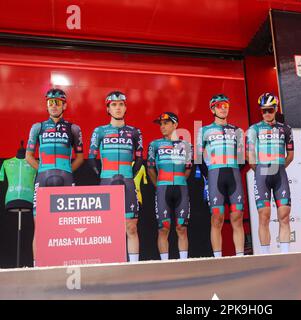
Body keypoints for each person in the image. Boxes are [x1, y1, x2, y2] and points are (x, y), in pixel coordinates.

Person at [26, 88, 84, 265]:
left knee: (66, 225)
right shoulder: (38, 127)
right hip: (43, 180)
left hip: (66, 180)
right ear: (46, 105)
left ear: (64, 105)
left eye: (57, 102)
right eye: (50, 102)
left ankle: (64, 263)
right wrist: (42, 169)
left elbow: (80, 157)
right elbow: (29, 156)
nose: (53, 106)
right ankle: (37, 266)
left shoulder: (73, 128)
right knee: (40, 225)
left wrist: (67, 170)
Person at [88, 91, 143, 262]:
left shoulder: (135, 132)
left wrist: (130, 177)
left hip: (127, 181)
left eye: (121, 104)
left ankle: (134, 268)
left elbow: (140, 158)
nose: (117, 108)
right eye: (114, 105)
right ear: (108, 109)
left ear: (125, 107)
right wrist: (102, 177)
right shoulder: (100, 131)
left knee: (131, 227)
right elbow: (91, 158)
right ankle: (108, 264)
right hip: (106, 181)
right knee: (107, 227)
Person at [196, 94, 245, 257]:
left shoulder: (237, 130)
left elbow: (242, 158)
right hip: (215, 175)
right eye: (219, 106)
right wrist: (208, 175)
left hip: (234, 175)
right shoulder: (203, 130)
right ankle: (218, 258)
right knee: (217, 218)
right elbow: (197, 157)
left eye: (225, 105)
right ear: (212, 109)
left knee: (237, 217)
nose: (223, 108)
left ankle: (240, 256)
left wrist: (236, 171)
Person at [246, 93, 294, 254]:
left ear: (276, 109)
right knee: (264, 215)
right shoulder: (254, 129)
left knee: (284, 215)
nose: (267, 113)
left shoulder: (286, 129)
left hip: (280, 172)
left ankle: (285, 254)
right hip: (262, 173)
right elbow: (250, 156)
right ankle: (266, 256)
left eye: (270, 110)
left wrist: (279, 167)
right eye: (263, 111)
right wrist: (260, 169)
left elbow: (290, 155)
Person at [148, 112, 192, 260]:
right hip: (163, 188)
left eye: (166, 123)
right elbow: (150, 168)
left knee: (182, 228)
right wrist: (159, 185)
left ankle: (184, 262)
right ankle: (164, 264)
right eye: (161, 124)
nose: (162, 126)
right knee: (163, 228)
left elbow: (188, 168)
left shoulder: (186, 145)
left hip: (181, 188)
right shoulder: (154, 145)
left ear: (175, 125)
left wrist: (179, 181)